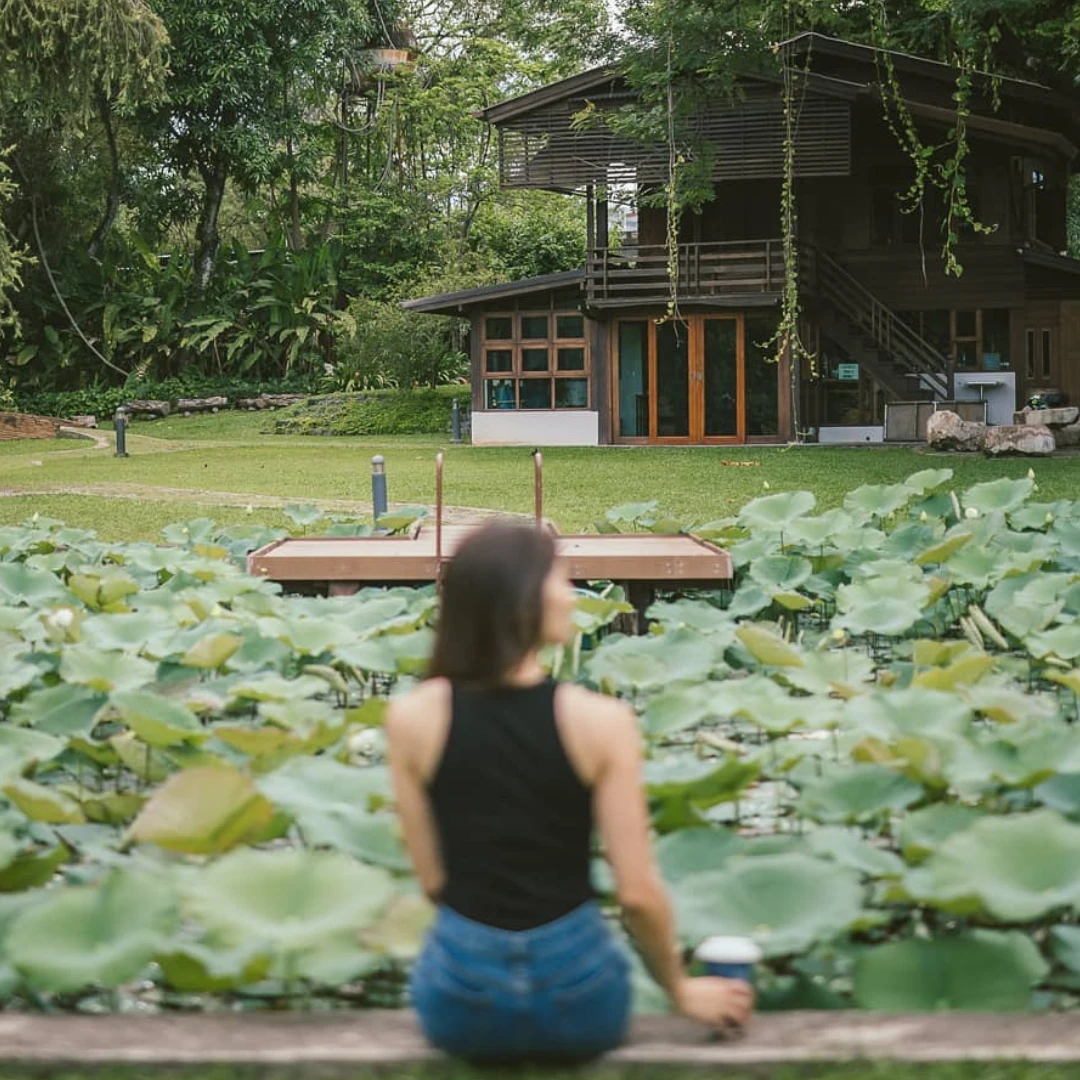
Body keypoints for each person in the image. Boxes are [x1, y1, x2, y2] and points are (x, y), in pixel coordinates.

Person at [385, 522, 753, 1063]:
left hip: (462, 1000)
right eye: (559, 579)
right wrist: (679, 989)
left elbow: (434, 879)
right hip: (581, 996)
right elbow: (638, 895)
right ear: (524, 600)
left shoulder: (412, 717)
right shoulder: (601, 721)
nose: (570, 594)